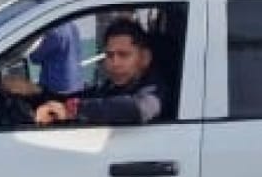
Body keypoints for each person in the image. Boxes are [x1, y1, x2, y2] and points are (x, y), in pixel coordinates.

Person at [31, 19, 164, 126]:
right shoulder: (112, 87)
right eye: (109, 55)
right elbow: (80, 98)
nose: (114, 63)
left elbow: (138, 109)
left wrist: (71, 110)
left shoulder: (154, 89)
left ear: (145, 58)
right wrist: (36, 93)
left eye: (124, 55)